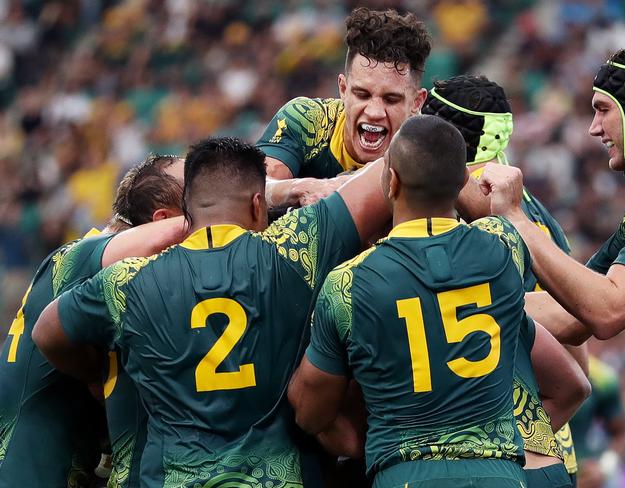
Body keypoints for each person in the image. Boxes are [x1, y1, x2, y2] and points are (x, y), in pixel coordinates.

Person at [32, 136, 391, 487]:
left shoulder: (129, 282)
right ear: (256, 205)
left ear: (188, 210)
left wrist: (96, 371)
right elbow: (388, 173)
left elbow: (47, 332)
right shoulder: (293, 248)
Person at [289, 114, 550, 487]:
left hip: (406, 474)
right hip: (499, 474)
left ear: (391, 180)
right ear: (463, 181)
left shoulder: (347, 283)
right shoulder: (505, 244)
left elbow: (311, 413)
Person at [422, 75, 585, 486]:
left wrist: (495, 445)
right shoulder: (536, 215)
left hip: (500, 458)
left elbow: (574, 355)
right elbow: (577, 364)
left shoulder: (466, 211)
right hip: (549, 455)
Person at [477, 43, 625, 408]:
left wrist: (515, 217)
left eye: (603, 110)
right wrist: (465, 307)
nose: (593, 128)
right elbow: (574, 316)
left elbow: (609, 312)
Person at [0, 154, 187, 488]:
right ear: (160, 216)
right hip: (27, 469)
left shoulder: (108, 289)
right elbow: (160, 238)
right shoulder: (81, 255)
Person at [257, 7, 431, 207]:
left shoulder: (432, 147)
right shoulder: (306, 119)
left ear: (417, 102)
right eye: (362, 95)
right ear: (343, 89)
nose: (374, 112)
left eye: (391, 99)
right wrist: (305, 187)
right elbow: (257, 187)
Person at [570, 354, 625, 488]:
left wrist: (605, 468)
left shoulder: (602, 378)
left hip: (584, 468)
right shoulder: (519, 365)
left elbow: (620, 432)